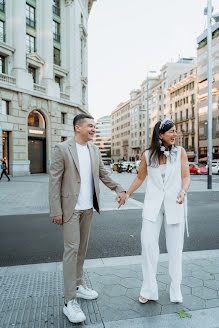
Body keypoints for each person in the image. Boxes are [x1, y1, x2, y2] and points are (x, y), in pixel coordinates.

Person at [49, 114, 126, 324]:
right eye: (90, 126)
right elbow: (54, 181)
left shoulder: (93, 149)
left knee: (82, 249)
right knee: (71, 250)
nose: (94, 129)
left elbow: (103, 173)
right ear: (77, 128)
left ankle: (79, 285)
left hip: (88, 208)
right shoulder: (63, 149)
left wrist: (119, 188)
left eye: (95, 126)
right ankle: (69, 301)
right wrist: (56, 210)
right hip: (70, 209)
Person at [121, 118, 190, 304]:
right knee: (148, 246)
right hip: (152, 207)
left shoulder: (181, 152)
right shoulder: (148, 155)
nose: (175, 134)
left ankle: (176, 289)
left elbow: (186, 177)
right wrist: (127, 194)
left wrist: (183, 191)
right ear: (160, 135)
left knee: (176, 250)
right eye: (171, 131)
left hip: (175, 205)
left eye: (175, 131)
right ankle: (149, 289)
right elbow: (140, 178)